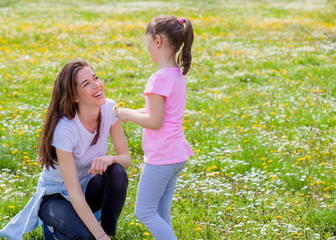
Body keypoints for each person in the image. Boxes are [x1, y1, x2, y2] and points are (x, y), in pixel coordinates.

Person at [0, 59, 131, 240]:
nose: (96, 85)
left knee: (116, 171)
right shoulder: (65, 129)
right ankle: (54, 228)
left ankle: (108, 233)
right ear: (74, 97)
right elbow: (74, 193)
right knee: (88, 238)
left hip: (88, 189)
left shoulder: (109, 108)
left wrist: (111, 158)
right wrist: (97, 236)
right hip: (57, 197)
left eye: (95, 78)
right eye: (86, 83)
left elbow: (126, 159)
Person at [115, 15, 194, 240]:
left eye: (147, 41)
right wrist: (128, 113)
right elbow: (158, 112)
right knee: (160, 211)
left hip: (162, 156)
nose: (146, 47)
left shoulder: (158, 79)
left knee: (145, 212)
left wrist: (128, 114)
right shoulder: (177, 74)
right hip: (176, 153)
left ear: (157, 41)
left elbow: (155, 121)